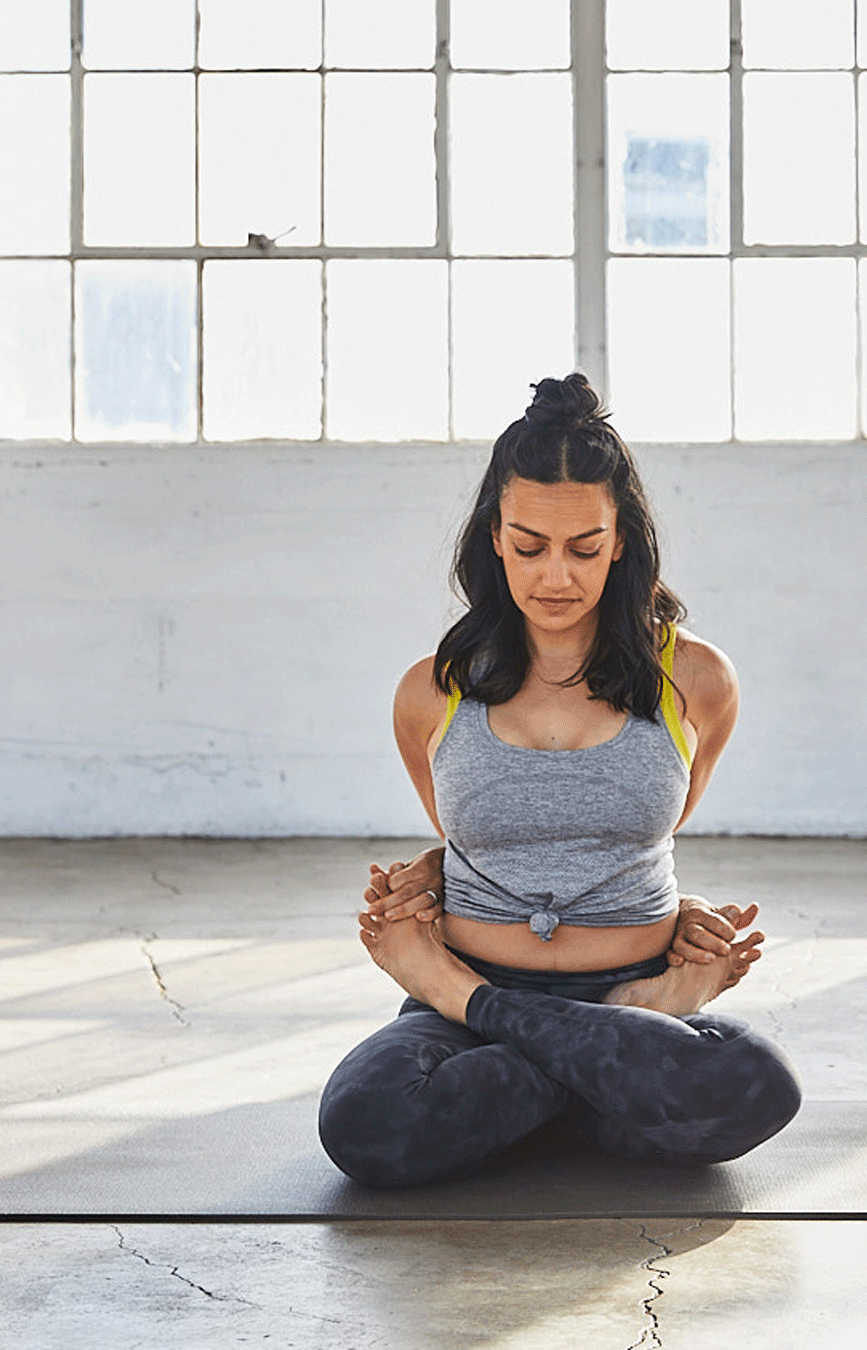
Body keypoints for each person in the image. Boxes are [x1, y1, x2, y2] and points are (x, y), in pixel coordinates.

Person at [316, 373, 804, 1188]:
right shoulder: (429, 692)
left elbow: (661, 828)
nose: (556, 577)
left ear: (622, 541)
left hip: (622, 991)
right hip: (489, 1001)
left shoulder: (699, 682)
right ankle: (598, 1092)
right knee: (365, 1122)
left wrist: (439, 980)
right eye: (530, 545)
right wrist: (439, 917)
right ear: (494, 537)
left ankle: (509, 1105)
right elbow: (459, 836)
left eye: (584, 548)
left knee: (756, 1086)